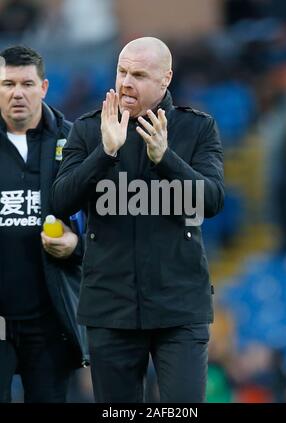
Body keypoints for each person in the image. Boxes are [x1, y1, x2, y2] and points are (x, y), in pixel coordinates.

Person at [52, 37, 224, 403]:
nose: (126, 82)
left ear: (166, 80)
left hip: (179, 307)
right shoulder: (87, 129)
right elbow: (61, 201)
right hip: (110, 307)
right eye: (122, 71)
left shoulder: (197, 129)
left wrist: (166, 159)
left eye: (140, 74)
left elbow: (211, 202)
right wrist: (105, 151)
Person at [0, 45, 88, 403]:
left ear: (44, 87)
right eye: (7, 84)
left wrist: (76, 247)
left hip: (50, 319)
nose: (17, 92)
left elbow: (104, 225)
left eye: (26, 83)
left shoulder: (74, 145)